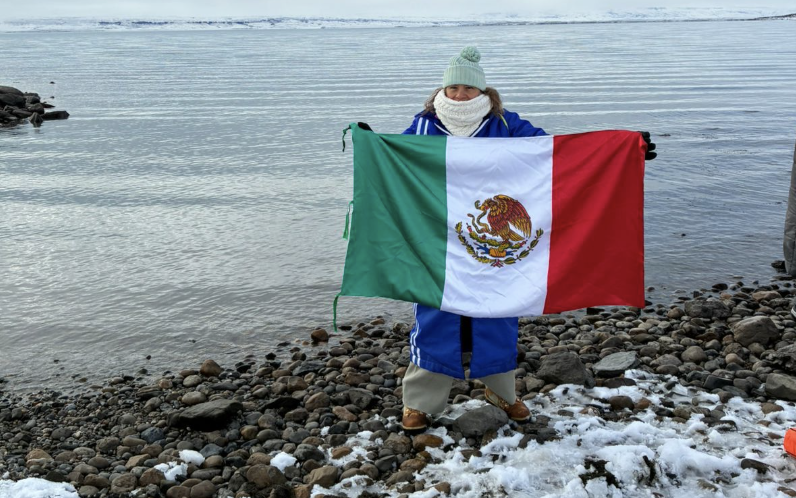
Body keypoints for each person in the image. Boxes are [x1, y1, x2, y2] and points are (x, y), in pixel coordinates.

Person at [398, 46, 656, 432]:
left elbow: (559, 157)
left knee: (498, 312)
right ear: (442, 89)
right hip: (441, 241)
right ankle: (419, 402)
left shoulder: (506, 125)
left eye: (469, 88)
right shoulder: (421, 128)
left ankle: (502, 392)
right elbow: (395, 165)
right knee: (436, 313)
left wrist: (625, 151)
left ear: (484, 92)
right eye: (453, 87)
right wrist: (372, 147)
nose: (460, 95)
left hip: (494, 245)